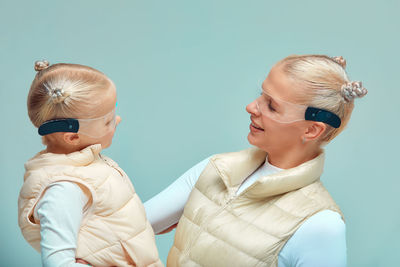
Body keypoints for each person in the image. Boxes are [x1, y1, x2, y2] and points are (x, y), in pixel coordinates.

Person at [144, 55, 367, 266]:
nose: (251, 107)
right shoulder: (217, 169)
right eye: (261, 95)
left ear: (311, 129)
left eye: (271, 105)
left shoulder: (320, 224)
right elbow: (123, 226)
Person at [18, 61, 163, 267]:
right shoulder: (63, 189)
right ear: (73, 137)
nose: (118, 120)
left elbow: (115, 225)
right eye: (108, 121)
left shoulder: (86, 165)